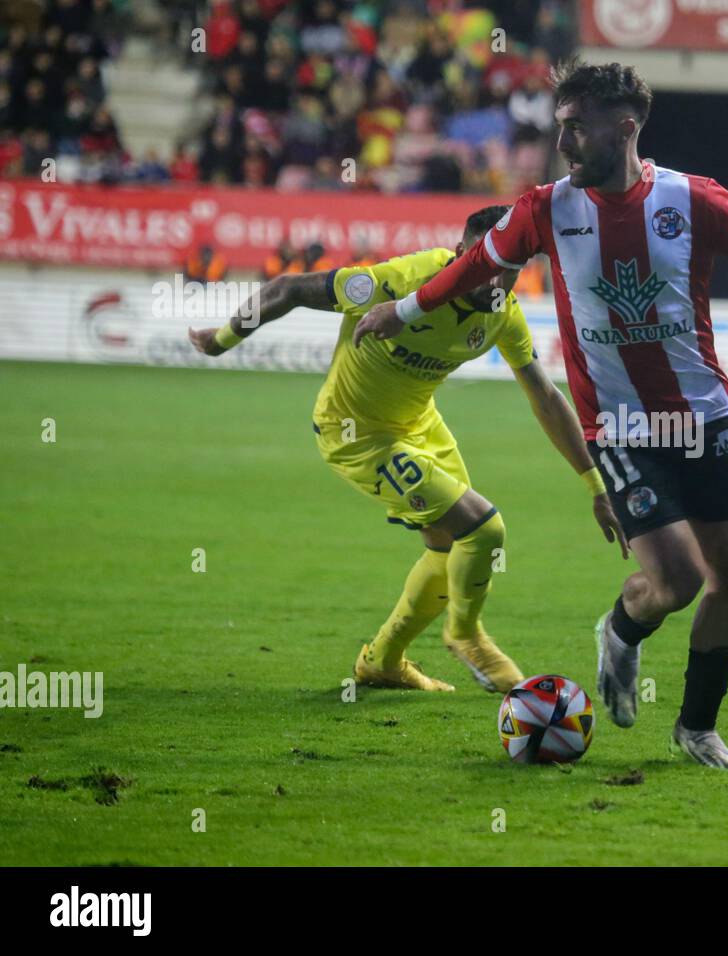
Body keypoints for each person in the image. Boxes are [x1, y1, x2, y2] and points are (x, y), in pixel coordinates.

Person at [352, 61, 728, 771]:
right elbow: (474, 265)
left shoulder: (695, 200)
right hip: (620, 426)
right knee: (677, 581)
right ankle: (623, 630)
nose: (562, 142)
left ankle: (697, 728)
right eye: (559, 126)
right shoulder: (544, 209)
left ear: (624, 127)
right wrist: (404, 308)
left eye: (576, 127)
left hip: (706, 414)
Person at [188, 205, 627, 693]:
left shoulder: (504, 315)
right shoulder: (399, 282)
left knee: (449, 546)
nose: (497, 281)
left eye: (510, 268)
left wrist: (596, 486)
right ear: (461, 255)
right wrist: (222, 340)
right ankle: (465, 633)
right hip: (357, 433)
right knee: (483, 529)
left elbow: (545, 396)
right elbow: (288, 289)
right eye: (486, 264)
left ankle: (382, 661)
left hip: (420, 427)